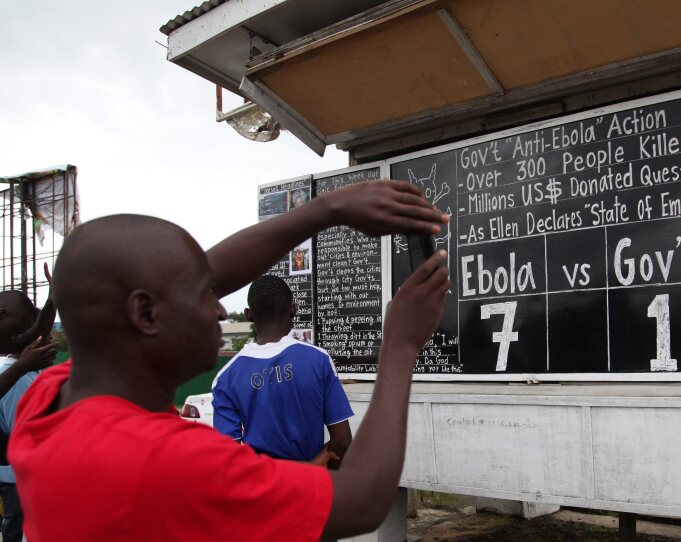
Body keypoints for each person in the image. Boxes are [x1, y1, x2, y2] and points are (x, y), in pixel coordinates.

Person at [9, 180, 450, 541]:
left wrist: (328, 209)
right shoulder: (163, 462)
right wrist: (400, 345)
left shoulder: (49, 401)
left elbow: (191, 277)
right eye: (205, 295)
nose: (221, 309)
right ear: (145, 314)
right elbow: (364, 500)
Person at [212, 274, 353, 468]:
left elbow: (229, 462)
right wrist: (315, 475)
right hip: (313, 491)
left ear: (248, 314)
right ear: (293, 309)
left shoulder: (226, 378)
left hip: (264, 494)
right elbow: (342, 441)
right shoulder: (318, 359)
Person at [0, 269, 58, 542]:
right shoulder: (13, 367)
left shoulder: (8, 354)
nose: (21, 340)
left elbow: (34, 332)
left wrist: (52, 299)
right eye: (16, 332)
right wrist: (22, 366)